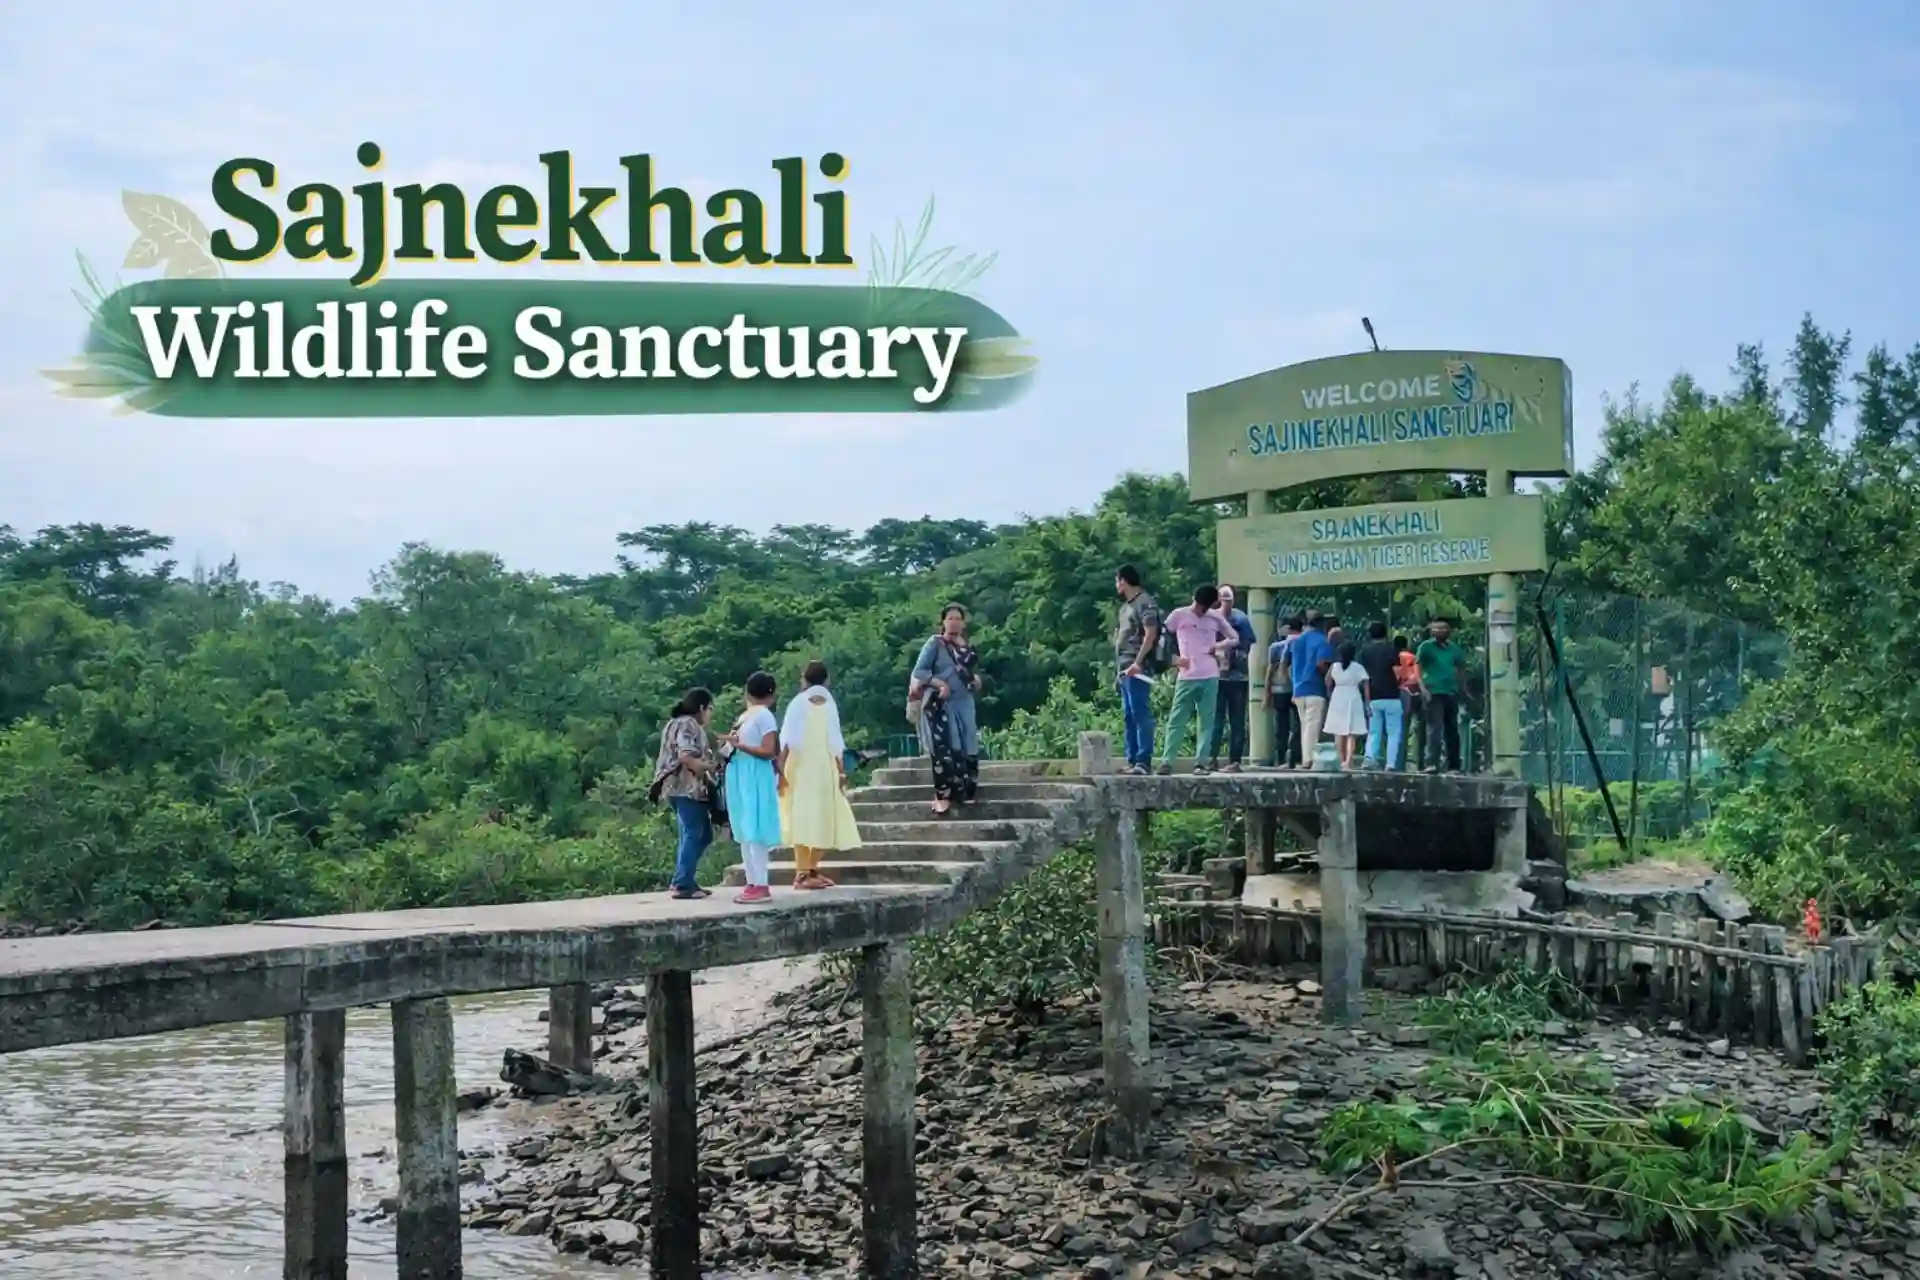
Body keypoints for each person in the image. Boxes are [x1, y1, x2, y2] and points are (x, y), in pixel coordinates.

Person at [779, 661, 862, 889]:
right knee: (825, 817)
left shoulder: (797, 703)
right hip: (823, 767)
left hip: (799, 765)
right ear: (827, 681)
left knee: (803, 818)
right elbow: (836, 743)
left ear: (803, 679)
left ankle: (808, 871)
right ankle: (804, 872)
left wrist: (779, 772)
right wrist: (841, 771)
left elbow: (786, 741)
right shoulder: (830, 704)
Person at [911, 603, 982, 815]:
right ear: (943, 622)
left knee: (969, 744)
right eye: (950, 618)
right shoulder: (935, 644)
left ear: (964, 623)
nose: (954, 622)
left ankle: (966, 792)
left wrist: (977, 680)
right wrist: (939, 683)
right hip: (942, 704)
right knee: (946, 747)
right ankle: (943, 795)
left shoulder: (966, 648)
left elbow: (970, 674)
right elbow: (919, 670)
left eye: (958, 619)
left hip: (964, 701)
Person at [1157, 584, 1237, 775]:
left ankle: (1201, 762)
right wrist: (1174, 659)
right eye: (1200, 606)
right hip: (1187, 674)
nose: (1201, 610)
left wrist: (1217, 646)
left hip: (1209, 673)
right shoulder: (1179, 615)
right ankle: (1167, 761)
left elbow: (1234, 638)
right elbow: (1162, 638)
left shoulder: (1214, 617)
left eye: (1205, 607)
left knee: (1206, 721)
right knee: (1177, 719)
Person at [652, 687, 719, 900]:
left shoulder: (674, 723)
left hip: (672, 788)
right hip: (686, 787)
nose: (710, 714)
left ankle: (683, 879)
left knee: (694, 834)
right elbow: (686, 756)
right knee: (695, 833)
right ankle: (683, 883)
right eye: (709, 709)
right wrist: (708, 767)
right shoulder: (688, 724)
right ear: (701, 707)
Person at [724, 672, 783, 904]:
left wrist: (742, 746)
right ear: (772, 693)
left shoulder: (764, 717)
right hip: (741, 776)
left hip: (755, 776)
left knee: (755, 828)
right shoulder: (746, 716)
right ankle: (752, 882)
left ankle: (761, 884)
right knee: (745, 830)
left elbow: (769, 751)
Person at [1112, 565, 1163, 776]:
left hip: (1137, 666)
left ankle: (1143, 761)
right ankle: (1132, 759)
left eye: (1117, 580)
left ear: (1123, 581)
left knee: (1140, 712)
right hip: (1124, 667)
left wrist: (1139, 662)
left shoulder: (1145, 602)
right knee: (1128, 715)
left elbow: (1151, 633)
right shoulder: (1125, 607)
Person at [1203, 585, 1256, 772]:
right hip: (1216, 676)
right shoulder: (1211, 617)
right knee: (1215, 720)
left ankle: (1234, 760)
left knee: (1237, 721)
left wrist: (1232, 656)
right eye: (1223, 599)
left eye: (1229, 599)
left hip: (1237, 677)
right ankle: (1211, 758)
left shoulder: (1241, 619)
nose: (1226, 603)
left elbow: (1248, 644)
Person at [1289, 611, 1335, 769]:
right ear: (1321, 624)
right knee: (1312, 727)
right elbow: (1321, 663)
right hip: (1315, 688)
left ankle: (1305, 758)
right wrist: (1328, 677)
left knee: (1305, 726)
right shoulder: (1322, 641)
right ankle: (1309, 760)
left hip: (1299, 689)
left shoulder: (1298, 641)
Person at [1417, 619, 1465, 772]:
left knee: (1452, 730)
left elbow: (1460, 669)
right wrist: (1422, 688)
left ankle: (1454, 765)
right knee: (1434, 729)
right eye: (1437, 628)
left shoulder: (1455, 649)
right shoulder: (1426, 647)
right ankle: (1431, 763)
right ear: (1432, 631)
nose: (1441, 630)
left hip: (1451, 691)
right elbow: (1418, 668)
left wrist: (1462, 689)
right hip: (1433, 692)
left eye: (1444, 628)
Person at [1358, 621, 1404, 771]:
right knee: (1393, 732)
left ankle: (1369, 759)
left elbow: (1362, 675)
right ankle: (1390, 764)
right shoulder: (1391, 649)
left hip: (1372, 695)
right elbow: (1398, 673)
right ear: (1385, 633)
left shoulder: (1364, 651)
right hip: (1391, 695)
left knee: (1374, 731)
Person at [1325, 643, 1371, 769]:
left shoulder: (1334, 666)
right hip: (1353, 695)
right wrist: (1367, 700)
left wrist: (1330, 692)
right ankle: (1349, 760)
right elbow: (1366, 683)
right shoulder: (1358, 667)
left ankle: (1341, 760)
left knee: (1339, 731)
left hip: (1338, 696)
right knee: (1352, 732)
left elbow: (1327, 681)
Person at [1266, 616, 1303, 768]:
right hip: (1299, 689)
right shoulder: (1303, 643)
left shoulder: (1275, 647)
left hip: (1279, 689)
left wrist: (1266, 693)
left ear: (1287, 628)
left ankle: (1279, 758)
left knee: (1281, 726)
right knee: (1299, 725)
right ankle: (1295, 757)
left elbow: (1270, 670)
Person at [1393, 635, 1421, 771]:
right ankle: (1412, 761)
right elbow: (1417, 676)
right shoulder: (1413, 657)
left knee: (1398, 729)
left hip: (1398, 693)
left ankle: (1397, 762)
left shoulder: (1394, 657)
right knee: (1413, 728)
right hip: (1413, 691)